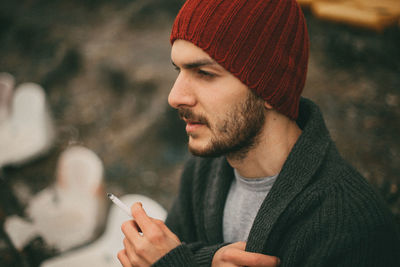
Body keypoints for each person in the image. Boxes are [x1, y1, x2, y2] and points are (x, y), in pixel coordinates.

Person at [118, 0, 400, 266]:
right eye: (178, 70)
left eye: (204, 73)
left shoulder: (350, 226)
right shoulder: (204, 172)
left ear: (268, 88)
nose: (175, 96)